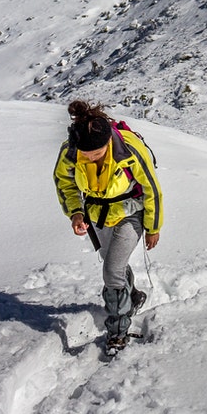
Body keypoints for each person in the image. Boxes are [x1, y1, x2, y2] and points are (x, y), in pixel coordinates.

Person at [53, 100, 163, 355]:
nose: (92, 158)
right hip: (97, 215)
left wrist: (153, 227)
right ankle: (133, 297)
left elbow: (152, 190)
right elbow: (65, 183)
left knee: (112, 271)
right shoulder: (70, 152)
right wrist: (76, 213)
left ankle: (118, 330)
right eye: (87, 155)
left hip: (131, 213)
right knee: (114, 265)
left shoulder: (129, 150)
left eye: (98, 153)